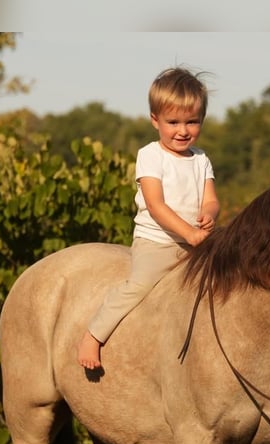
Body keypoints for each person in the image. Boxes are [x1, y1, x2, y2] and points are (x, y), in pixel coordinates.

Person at [77, 67, 220, 370]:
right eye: (173, 122)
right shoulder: (151, 155)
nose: (183, 130)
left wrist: (208, 215)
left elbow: (210, 199)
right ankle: (94, 335)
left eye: (192, 122)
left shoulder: (201, 159)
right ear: (155, 120)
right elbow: (156, 206)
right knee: (139, 286)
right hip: (157, 243)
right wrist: (190, 234)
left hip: (196, 244)